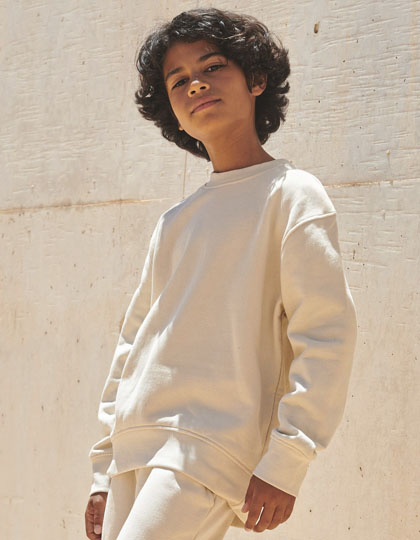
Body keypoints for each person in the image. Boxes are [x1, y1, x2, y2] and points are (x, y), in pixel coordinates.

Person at [84, 7, 358, 539]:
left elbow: (326, 335)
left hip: (209, 450)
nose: (196, 85)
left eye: (212, 67)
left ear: (256, 79)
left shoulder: (292, 196)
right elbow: (132, 344)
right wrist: (103, 465)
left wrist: (287, 460)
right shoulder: (175, 222)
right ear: (173, 112)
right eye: (179, 80)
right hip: (135, 444)